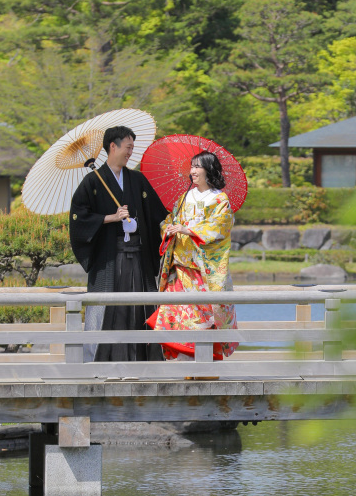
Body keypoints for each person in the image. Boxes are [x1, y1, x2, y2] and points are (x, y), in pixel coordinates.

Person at [69, 124, 168, 361]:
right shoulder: (92, 182)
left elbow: (158, 215)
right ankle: (97, 362)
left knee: (140, 306)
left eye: (132, 147)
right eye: (127, 147)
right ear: (112, 146)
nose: (130, 152)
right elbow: (78, 218)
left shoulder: (137, 179)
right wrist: (110, 218)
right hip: (108, 257)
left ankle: (144, 361)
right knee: (105, 307)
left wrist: (173, 224)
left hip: (138, 256)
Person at [151, 152, 238, 361]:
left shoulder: (219, 199)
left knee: (203, 317)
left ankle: (205, 363)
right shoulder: (184, 198)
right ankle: (184, 363)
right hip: (180, 268)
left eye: (197, 166)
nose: (192, 171)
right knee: (177, 316)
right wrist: (169, 228)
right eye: (191, 166)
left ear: (209, 169)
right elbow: (170, 219)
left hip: (203, 269)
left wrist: (188, 229)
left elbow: (220, 227)